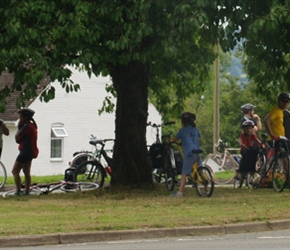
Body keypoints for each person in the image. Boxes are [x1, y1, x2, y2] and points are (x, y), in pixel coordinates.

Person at [172, 112, 202, 197]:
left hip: (189, 153)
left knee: (184, 173)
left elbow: (175, 139)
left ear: (184, 122)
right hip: (197, 151)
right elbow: (198, 136)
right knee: (200, 170)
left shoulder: (182, 131)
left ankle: (180, 193)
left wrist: (172, 140)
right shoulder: (195, 130)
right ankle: (207, 189)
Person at [12, 108, 39, 196]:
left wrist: (19, 127)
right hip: (30, 152)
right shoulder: (32, 126)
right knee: (26, 171)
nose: (19, 119)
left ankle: (18, 190)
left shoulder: (26, 127)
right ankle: (27, 191)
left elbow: (17, 138)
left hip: (24, 152)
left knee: (15, 171)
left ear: (25, 118)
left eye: (20, 117)